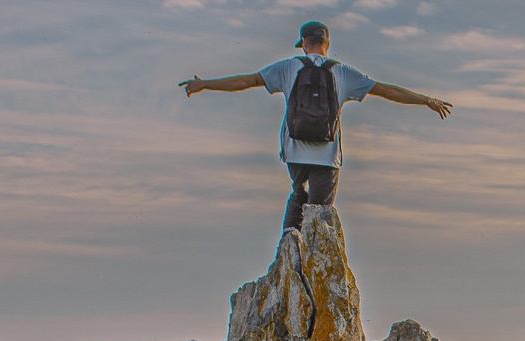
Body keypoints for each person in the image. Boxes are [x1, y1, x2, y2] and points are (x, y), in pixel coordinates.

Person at [181, 20, 454, 233]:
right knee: (320, 213)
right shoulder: (343, 72)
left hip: (295, 151)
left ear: (303, 43)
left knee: (298, 195)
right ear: (327, 42)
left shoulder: (289, 67)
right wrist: (425, 100)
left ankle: (289, 243)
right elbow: (387, 91)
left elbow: (245, 81)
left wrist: (205, 84)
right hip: (327, 155)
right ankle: (314, 253)